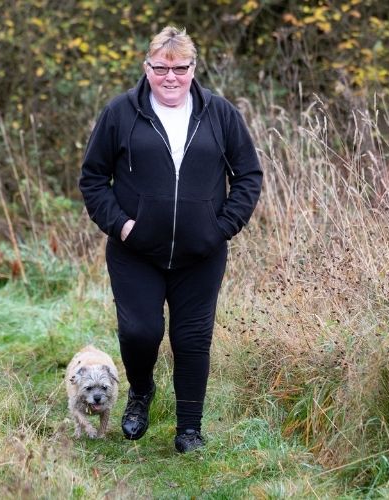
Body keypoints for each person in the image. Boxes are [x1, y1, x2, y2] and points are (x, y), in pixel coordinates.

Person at [78, 25, 262, 453]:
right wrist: (123, 225)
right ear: (147, 68)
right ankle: (141, 392)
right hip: (135, 252)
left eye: (180, 68)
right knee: (141, 332)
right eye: (161, 68)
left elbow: (249, 176)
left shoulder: (220, 114)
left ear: (193, 69)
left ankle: (189, 430)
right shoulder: (121, 113)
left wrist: (221, 228)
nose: (171, 77)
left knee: (192, 340)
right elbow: (93, 179)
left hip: (201, 254)